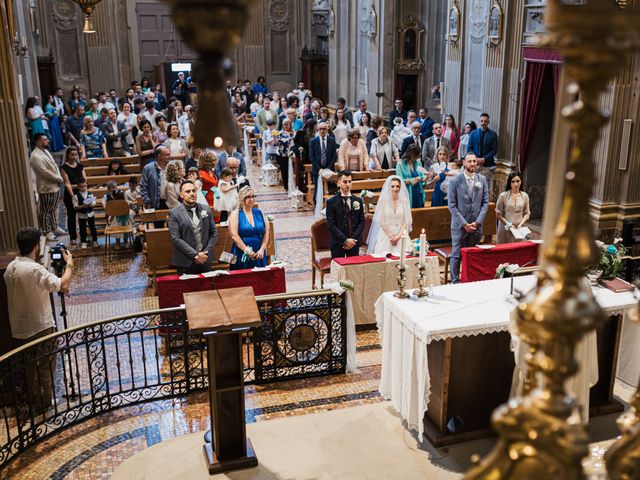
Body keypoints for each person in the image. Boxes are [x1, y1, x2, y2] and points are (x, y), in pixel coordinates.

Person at [4, 227, 73, 412]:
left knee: (29, 367)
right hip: (40, 326)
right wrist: (70, 263)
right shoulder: (34, 269)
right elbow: (62, 283)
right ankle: (44, 403)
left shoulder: (10, 267)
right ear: (36, 246)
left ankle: (35, 401)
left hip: (20, 328)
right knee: (45, 365)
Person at [448, 153, 490, 284]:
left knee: (472, 254)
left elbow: (485, 203)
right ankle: (455, 282)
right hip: (460, 225)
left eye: (474, 161)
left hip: (476, 225)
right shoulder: (455, 181)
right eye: (470, 161)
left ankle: (470, 279)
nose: (473, 164)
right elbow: (452, 205)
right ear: (464, 163)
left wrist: (477, 222)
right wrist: (465, 224)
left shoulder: (482, 180)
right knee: (456, 255)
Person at [168, 180, 218, 274]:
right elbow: (176, 239)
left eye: (193, 191)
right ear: (181, 195)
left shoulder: (205, 209)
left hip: (205, 259)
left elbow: (214, 233)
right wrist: (195, 255)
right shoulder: (174, 213)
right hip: (185, 261)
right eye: (188, 191)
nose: (192, 194)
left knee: (207, 288)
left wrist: (205, 253)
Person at [30, 133, 64, 240]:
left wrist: (59, 177)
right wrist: (58, 178)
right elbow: (44, 173)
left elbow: (54, 165)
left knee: (53, 208)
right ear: (38, 142)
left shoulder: (45, 151)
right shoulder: (35, 156)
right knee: (45, 211)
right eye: (45, 139)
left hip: (54, 185)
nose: (47, 141)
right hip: (46, 187)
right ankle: (46, 231)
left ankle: (54, 227)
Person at [366, 176, 412, 255]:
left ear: (400, 188)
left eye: (397, 186)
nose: (395, 189)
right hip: (386, 234)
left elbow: (406, 221)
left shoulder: (404, 201)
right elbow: (381, 221)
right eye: (392, 186)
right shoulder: (383, 201)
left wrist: (398, 236)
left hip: (401, 234)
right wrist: (391, 236)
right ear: (389, 188)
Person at [326, 170, 366, 258]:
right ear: (338, 183)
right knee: (339, 270)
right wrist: (345, 240)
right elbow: (331, 225)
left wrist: (353, 240)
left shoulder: (358, 200)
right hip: (338, 243)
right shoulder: (331, 202)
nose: (348, 184)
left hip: (354, 243)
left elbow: (362, 221)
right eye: (344, 182)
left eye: (350, 181)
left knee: (353, 270)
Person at [229, 186, 270, 270]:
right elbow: (234, 235)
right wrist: (247, 250)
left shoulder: (259, 212)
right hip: (241, 251)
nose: (251, 199)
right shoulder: (236, 214)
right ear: (241, 199)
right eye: (248, 197)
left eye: (253, 196)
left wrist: (262, 249)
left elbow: (267, 231)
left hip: (258, 251)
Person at [60, 146, 86, 246]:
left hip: (81, 193)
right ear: (68, 155)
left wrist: (78, 187)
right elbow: (67, 183)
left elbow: (84, 180)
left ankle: (83, 237)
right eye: (72, 154)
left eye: (75, 154)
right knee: (71, 216)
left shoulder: (80, 166)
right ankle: (73, 238)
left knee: (82, 215)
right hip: (70, 194)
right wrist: (72, 195)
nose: (74, 156)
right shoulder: (64, 167)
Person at [496, 172, 531, 244]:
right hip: (505, 228)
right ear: (509, 183)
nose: (516, 184)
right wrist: (510, 225)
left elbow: (527, 213)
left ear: (521, 182)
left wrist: (521, 224)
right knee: (504, 251)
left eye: (518, 181)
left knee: (517, 251)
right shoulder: (503, 195)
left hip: (518, 229)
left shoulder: (525, 196)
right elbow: (498, 214)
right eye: (513, 181)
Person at [467, 113, 498, 189]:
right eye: (482, 121)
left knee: (485, 187)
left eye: (485, 121)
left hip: (487, 164)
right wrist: (476, 159)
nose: (483, 123)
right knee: (471, 185)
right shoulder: (473, 133)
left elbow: (494, 150)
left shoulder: (493, 134)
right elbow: (469, 148)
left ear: (488, 122)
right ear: (479, 121)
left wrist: (484, 159)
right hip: (474, 163)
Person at [308, 122, 337, 200]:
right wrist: (319, 168)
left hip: (329, 168)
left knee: (330, 189)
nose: (322, 131)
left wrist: (328, 168)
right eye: (320, 129)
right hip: (317, 169)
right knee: (318, 188)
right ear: (318, 130)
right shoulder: (313, 141)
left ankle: (329, 205)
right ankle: (317, 202)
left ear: (327, 129)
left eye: (324, 129)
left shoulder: (332, 140)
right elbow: (311, 156)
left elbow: (334, 156)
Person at [396, 144, 427, 209]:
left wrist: (425, 177)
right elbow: (400, 180)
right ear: (411, 154)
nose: (418, 157)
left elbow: (422, 175)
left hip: (418, 190)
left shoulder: (418, 163)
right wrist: (412, 180)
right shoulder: (400, 165)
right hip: (407, 191)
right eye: (417, 155)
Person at [140, 145, 171, 211]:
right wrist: (147, 201)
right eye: (167, 155)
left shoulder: (172, 166)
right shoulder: (148, 168)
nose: (169, 156)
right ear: (159, 156)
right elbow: (144, 186)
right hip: (155, 202)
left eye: (169, 154)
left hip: (171, 202)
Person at [73, 180, 99, 248]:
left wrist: (91, 204)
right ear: (78, 187)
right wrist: (82, 206)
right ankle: (83, 241)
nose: (84, 188)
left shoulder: (90, 194)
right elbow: (75, 206)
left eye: (85, 186)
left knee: (92, 227)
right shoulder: (76, 196)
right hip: (81, 215)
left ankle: (95, 241)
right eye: (81, 187)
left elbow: (94, 203)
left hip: (90, 213)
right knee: (82, 228)